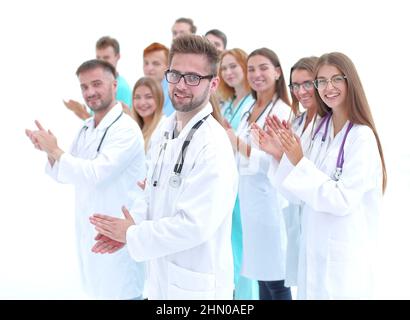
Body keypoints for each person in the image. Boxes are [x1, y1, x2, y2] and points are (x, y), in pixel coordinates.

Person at [90, 35, 238, 300]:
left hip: (197, 288)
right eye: (175, 74)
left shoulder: (213, 145)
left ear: (213, 84)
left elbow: (194, 226)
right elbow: (151, 191)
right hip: (162, 279)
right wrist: (131, 224)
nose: (181, 85)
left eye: (193, 78)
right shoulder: (166, 129)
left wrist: (133, 235)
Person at [26, 59, 146, 299]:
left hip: (118, 239)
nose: (89, 92)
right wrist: (50, 151)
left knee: (124, 291)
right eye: (84, 87)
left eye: (96, 84)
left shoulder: (126, 129)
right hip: (92, 236)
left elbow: (95, 174)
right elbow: (68, 172)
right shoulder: (87, 127)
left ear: (114, 84)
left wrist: (57, 151)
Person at [271, 52, 387, 299]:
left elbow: (342, 200)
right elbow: (295, 194)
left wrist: (299, 161)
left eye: (336, 79)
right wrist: (278, 156)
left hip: (343, 260)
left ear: (350, 82)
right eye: (321, 81)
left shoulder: (361, 137)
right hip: (313, 251)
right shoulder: (319, 131)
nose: (328, 87)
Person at [225, 47, 292, 300]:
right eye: (251, 69)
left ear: (277, 72)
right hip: (250, 206)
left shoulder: (282, 111)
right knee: (262, 280)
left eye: (263, 68)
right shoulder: (250, 108)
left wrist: (235, 142)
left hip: (269, 206)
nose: (256, 74)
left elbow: (274, 160)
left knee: (276, 281)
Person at [252, 56, 319, 288]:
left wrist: (287, 158)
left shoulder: (329, 124)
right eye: (296, 85)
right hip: (295, 212)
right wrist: (277, 154)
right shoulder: (297, 123)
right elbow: (291, 180)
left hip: (319, 218)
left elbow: (315, 177)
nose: (301, 91)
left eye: (307, 84)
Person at [218, 48, 258, 299]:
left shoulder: (253, 104)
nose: (229, 72)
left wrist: (231, 139)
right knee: (232, 250)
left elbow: (253, 149)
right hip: (228, 185)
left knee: (245, 251)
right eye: (224, 68)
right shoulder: (229, 104)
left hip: (247, 187)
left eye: (234, 66)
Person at [64, 36, 132, 119]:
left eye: (106, 58)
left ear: (117, 57)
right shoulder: (97, 85)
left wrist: (81, 112)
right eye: (98, 58)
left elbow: (111, 126)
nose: (101, 62)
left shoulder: (121, 88)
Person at [130, 76, 165, 153]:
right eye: (137, 97)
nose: (142, 103)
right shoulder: (133, 127)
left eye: (148, 97)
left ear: (159, 99)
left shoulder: (164, 128)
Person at [143, 42, 175, 116]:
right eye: (146, 63)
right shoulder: (142, 89)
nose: (149, 68)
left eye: (156, 63)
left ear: (168, 66)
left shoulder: (173, 92)